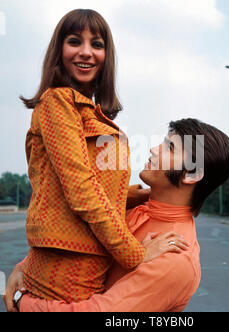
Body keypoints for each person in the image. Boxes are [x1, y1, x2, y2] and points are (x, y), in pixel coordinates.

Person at [12, 8, 188, 306]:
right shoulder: (57, 101)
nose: (86, 52)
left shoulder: (97, 117)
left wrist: (146, 195)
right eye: (74, 41)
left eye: (97, 44)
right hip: (67, 263)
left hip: (91, 259)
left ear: (107, 55)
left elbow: (103, 190)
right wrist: (136, 253)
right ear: (59, 50)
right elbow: (80, 189)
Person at [4, 118, 229, 312]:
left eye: (170, 148)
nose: (153, 149)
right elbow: (73, 243)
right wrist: (24, 267)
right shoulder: (129, 207)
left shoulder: (175, 258)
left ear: (192, 175)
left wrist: (21, 301)